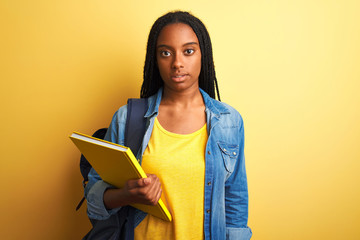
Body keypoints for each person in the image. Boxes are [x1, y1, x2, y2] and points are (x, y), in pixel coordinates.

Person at [85, 11, 252, 240]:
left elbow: (235, 207)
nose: (177, 63)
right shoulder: (127, 119)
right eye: (166, 53)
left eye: (188, 51)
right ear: (155, 59)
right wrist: (127, 194)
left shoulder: (229, 122)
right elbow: (93, 200)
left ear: (204, 55)